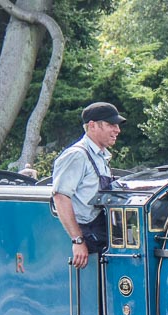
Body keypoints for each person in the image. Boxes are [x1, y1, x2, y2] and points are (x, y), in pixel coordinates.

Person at [52, 102, 125, 269]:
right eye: (111, 125)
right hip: (89, 235)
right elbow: (61, 197)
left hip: (101, 230)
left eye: (117, 126)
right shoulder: (77, 155)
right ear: (92, 125)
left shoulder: (100, 157)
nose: (117, 130)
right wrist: (78, 240)